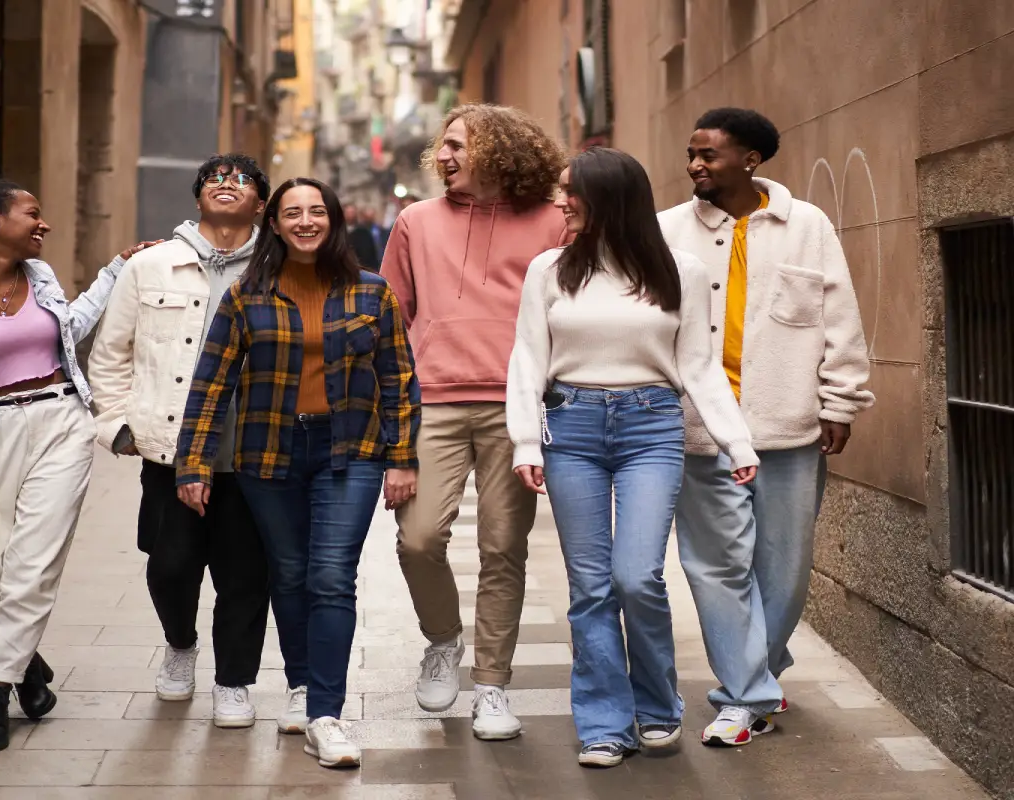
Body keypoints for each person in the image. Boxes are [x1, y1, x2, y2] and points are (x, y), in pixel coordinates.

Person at [506, 148, 758, 767]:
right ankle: (603, 723)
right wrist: (525, 440)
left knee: (637, 576)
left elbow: (698, 364)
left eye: (571, 191)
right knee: (590, 585)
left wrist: (735, 440)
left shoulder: (682, 270)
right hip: (572, 427)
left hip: (652, 426)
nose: (560, 202)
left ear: (609, 198)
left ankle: (657, 707)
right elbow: (528, 359)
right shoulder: (549, 268)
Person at [0, 179, 155, 753]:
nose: (44, 224)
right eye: (32, 213)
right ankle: (26, 666)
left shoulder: (39, 278)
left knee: (32, 564)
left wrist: (115, 270)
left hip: (61, 422)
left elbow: (71, 329)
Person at [174, 177, 420, 768]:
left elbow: (398, 379)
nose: (306, 221)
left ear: (333, 220)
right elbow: (211, 384)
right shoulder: (245, 296)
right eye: (293, 213)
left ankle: (326, 715)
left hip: (350, 450)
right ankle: (303, 685)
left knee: (331, 577)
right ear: (276, 224)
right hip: (268, 452)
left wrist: (402, 457)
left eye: (317, 211)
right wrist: (194, 463)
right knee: (288, 574)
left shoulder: (373, 292)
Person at [658, 108, 874, 746]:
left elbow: (840, 318)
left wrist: (839, 403)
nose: (695, 165)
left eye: (709, 155)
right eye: (691, 154)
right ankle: (745, 696)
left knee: (784, 569)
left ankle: (757, 672)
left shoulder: (807, 225)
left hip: (788, 427)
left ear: (750, 160)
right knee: (714, 567)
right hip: (702, 430)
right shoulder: (666, 230)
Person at [380, 103, 568, 741]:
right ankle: (443, 639)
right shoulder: (416, 220)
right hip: (431, 399)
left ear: (500, 150)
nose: (444, 156)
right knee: (418, 539)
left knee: (502, 546)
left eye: (459, 145)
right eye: (444, 144)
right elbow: (392, 316)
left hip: (516, 404)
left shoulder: (552, 221)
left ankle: (492, 685)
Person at [87, 154, 273, 726]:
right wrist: (117, 425)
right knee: (170, 565)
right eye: (214, 177)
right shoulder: (151, 265)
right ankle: (180, 643)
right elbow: (111, 352)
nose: (226, 183)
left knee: (245, 574)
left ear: (260, 204)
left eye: (242, 179)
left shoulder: (279, 266)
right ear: (197, 198)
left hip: (252, 450)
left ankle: (234, 681)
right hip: (171, 447)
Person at [344, 202, 380, 270]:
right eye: (348, 212)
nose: (350, 215)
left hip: (363, 269)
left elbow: (370, 254)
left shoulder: (364, 232)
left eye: (352, 212)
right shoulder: (339, 232)